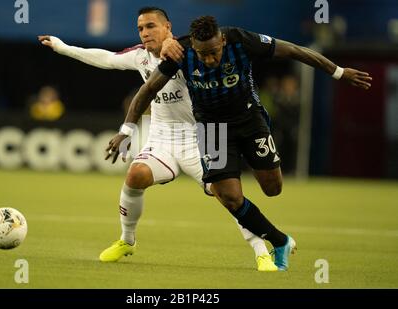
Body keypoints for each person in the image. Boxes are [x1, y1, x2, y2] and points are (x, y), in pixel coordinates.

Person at [107, 16, 372, 270]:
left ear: (221, 41)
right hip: (213, 129)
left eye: (213, 52)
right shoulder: (182, 52)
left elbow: (293, 50)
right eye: (203, 55)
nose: (209, 60)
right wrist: (126, 130)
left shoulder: (241, 40)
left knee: (272, 188)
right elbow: (148, 89)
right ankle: (279, 242)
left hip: (249, 120)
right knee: (230, 197)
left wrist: (338, 72)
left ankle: (273, 239)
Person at [39, 8, 277, 271]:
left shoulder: (192, 52)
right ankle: (127, 240)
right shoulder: (140, 56)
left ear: (168, 27)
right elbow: (106, 58)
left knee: (228, 195)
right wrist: (63, 48)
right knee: (136, 175)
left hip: (206, 133)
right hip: (163, 137)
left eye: (151, 26)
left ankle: (261, 251)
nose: (145, 33)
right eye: (140, 28)